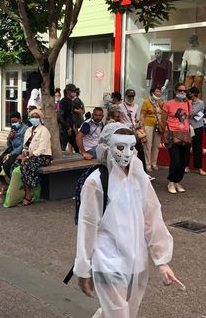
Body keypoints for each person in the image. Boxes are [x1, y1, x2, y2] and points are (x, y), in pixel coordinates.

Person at [74, 123, 183, 318]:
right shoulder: (96, 182)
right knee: (118, 315)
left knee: (125, 314)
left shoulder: (138, 177)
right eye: (120, 147)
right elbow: (87, 226)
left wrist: (162, 260)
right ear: (107, 147)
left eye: (131, 147)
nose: (127, 153)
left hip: (136, 263)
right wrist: (83, 268)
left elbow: (152, 216)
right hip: (108, 262)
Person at [14, 109, 52, 206]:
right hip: (30, 156)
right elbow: (25, 147)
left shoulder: (44, 130)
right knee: (14, 164)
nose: (34, 119)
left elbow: (41, 149)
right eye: (33, 117)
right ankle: (18, 191)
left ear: (40, 119)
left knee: (27, 165)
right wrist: (23, 155)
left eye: (37, 117)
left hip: (43, 156)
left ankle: (28, 194)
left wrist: (27, 157)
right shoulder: (28, 130)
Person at [162, 83, 192, 194]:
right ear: (175, 91)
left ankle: (177, 181)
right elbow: (163, 120)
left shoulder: (188, 103)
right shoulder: (168, 104)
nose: (182, 93)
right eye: (180, 90)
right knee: (175, 160)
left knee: (184, 161)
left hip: (185, 134)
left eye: (185, 91)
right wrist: (164, 134)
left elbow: (188, 118)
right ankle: (171, 181)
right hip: (172, 134)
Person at [0, 111, 27, 196]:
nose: (14, 123)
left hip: (19, 151)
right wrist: (9, 138)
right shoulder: (13, 128)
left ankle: (14, 184)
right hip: (10, 150)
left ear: (20, 120)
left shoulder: (25, 129)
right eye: (12, 122)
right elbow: (9, 145)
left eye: (15, 121)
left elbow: (23, 145)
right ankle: (4, 184)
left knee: (6, 165)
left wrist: (11, 154)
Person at [139, 86, 164, 172]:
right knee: (148, 145)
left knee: (156, 145)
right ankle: (147, 164)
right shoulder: (147, 101)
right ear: (152, 93)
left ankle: (154, 163)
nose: (159, 93)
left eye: (160, 91)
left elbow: (163, 114)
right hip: (148, 124)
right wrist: (142, 126)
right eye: (157, 91)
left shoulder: (161, 103)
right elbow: (142, 114)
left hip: (158, 125)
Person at [187, 86, 206, 176]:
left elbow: (191, 113)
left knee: (197, 147)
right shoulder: (188, 102)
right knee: (187, 146)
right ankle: (186, 166)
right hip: (189, 126)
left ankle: (199, 167)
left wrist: (189, 108)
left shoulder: (200, 103)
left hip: (198, 127)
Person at [58, 88, 79, 153]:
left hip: (70, 128)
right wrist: (67, 127)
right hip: (64, 129)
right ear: (68, 92)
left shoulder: (70, 101)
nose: (74, 93)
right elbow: (60, 116)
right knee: (62, 148)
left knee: (76, 146)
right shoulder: (64, 102)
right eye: (72, 91)